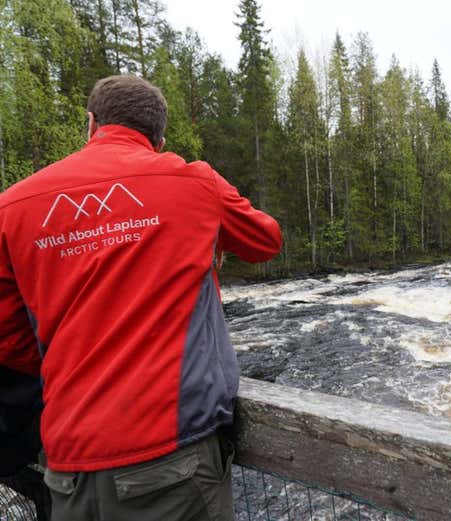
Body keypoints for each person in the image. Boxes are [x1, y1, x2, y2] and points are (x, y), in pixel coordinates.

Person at [0, 75, 282, 521]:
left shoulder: (13, 205)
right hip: (171, 459)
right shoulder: (193, 181)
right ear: (159, 137)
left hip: (67, 462)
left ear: (90, 124)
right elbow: (265, 240)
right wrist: (204, 238)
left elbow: (9, 337)